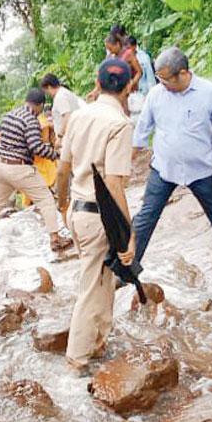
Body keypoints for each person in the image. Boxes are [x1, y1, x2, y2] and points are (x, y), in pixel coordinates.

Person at [129, 47, 212, 275]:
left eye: (165, 79)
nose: (162, 83)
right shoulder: (156, 94)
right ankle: (128, 268)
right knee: (145, 217)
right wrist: (124, 164)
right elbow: (141, 132)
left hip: (200, 168)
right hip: (164, 168)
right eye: (159, 78)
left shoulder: (209, 92)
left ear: (182, 73)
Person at [54, 59, 136, 369]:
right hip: (102, 215)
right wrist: (129, 233)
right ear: (129, 86)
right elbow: (114, 184)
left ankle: (98, 343)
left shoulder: (78, 116)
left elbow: (63, 169)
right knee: (92, 287)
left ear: (97, 83)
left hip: (78, 210)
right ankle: (76, 359)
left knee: (101, 279)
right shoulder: (120, 124)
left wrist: (62, 204)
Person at [0, 88, 74, 251]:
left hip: (0, 165)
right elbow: (35, 147)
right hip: (18, 167)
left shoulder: (9, 115)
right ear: (39, 105)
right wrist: (56, 154)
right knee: (46, 199)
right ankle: (55, 238)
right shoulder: (31, 120)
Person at [40, 73, 85, 142]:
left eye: (46, 91)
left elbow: (67, 116)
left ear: (49, 87)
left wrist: (60, 136)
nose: (47, 94)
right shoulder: (66, 93)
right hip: (74, 135)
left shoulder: (60, 97)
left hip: (68, 138)